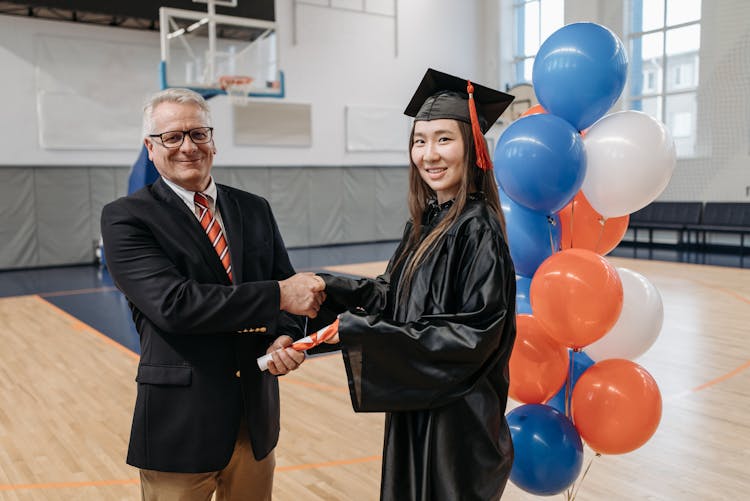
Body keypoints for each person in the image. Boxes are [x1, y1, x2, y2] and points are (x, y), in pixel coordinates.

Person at [100, 88, 325, 501]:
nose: (188, 146)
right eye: (172, 137)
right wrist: (278, 296)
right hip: (181, 427)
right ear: (150, 149)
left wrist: (285, 336)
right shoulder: (127, 218)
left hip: (254, 418)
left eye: (198, 134)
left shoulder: (254, 208)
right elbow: (175, 306)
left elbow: (286, 290)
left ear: (213, 141)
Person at [317, 68, 517, 500]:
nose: (429, 154)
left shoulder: (477, 228)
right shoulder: (425, 222)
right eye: (419, 141)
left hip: (457, 423)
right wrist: (323, 287)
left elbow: (473, 335)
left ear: (474, 147)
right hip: (421, 404)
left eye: (444, 138)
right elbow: (390, 297)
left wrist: (362, 332)